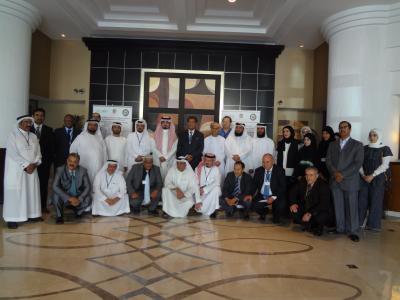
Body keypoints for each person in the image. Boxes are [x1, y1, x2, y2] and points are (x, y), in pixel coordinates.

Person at [326, 121, 364, 242]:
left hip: (350, 180)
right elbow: (328, 161)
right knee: (338, 206)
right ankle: (340, 228)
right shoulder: (333, 144)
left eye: (345, 127)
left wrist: (342, 174)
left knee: (352, 207)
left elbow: (357, 163)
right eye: (340, 127)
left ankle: (353, 231)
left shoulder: (357, 145)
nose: (342, 129)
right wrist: (335, 173)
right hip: (335, 180)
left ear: (350, 129)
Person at [3, 115, 42, 229]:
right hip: (18, 171)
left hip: (32, 170)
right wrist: (26, 165)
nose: (29, 124)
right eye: (26, 122)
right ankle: (12, 218)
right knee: (16, 195)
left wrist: (35, 163)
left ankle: (31, 214)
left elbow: (38, 153)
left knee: (31, 192)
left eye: (30, 122)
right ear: (20, 123)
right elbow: (13, 153)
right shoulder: (13, 135)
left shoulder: (34, 136)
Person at [359, 129, 393, 231]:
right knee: (362, 200)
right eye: (371, 135)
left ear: (379, 136)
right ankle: (359, 222)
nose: (372, 137)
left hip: (378, 178)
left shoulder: (385, 149)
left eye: (374, 135)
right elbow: (359, 163)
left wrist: (372, 175)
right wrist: (364, 175)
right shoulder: (364, 148)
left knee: (376, 201)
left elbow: (385, 165)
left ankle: (373, 225)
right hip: (364, 178)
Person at [289, 167, 335, 236]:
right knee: (293, 211)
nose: (308, 177)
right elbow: (293, 192)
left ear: (317, 176)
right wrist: (293, 203)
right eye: (306, 175)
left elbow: (324, 204)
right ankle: (309, 225)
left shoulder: (323, 185)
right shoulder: (303, 181)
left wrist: (310, 213)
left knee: (320, 217)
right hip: (306, 206)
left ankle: (317, 226)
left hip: (320, 209)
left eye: (311, 175)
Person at [51, 153, 92, 224]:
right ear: (67, 161)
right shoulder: (60, 170)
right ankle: (59, 216)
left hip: (77, 195)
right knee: (56, 196)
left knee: (88, 198)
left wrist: (79, 198)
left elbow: (88, 186)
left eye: (75, 162)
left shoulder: (83, 170)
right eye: (70, 161)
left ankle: (78, 212)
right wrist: (69, 198)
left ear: (78, 163)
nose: (72, 163)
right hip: (65, 195)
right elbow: (55, 186)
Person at [31, 108, 54, 212]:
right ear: (33, 116)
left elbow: (51, 148)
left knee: (43, 185)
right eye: (37, 115)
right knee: (30, 185)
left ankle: (43, 207)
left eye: (41, 115)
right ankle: (31, 207)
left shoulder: (49, 130)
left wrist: (49, 162)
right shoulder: (28, 129)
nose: (39, 117)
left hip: (44, 164)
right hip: (30, 164)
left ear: (44, 117)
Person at [253, 154, 286, 223]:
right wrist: (250, 194)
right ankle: (264, 212)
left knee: (280, 209)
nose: (265, 164)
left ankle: (275, 214)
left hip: (275, 195)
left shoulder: (280, 170)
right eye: (263, 162)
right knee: (253, 205)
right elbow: (254, 185)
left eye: (267, 162)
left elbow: (283, 187)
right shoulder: (258, 170)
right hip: (263, 195)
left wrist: (273, 197)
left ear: (273, 162)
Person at [195, 153, 221, 218]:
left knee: (216, 189)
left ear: (213, 161)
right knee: (201, 209)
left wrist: (205, 189)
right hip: (200, 193)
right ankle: (209, 209)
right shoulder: (198, 169)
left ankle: (214, 210)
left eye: (209, 160)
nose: (207, 162)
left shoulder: (216, 169)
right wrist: (200, 190)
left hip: (211, 192)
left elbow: (217, 182)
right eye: (206, 160)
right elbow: (195, 184)